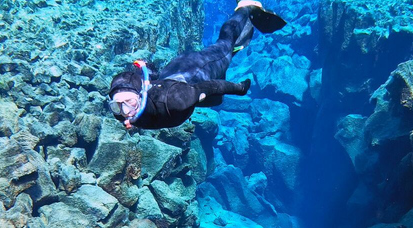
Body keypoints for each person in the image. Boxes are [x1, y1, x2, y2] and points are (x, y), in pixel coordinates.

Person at [108, 0, 286, 130]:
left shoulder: (177, 100)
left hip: (198, 69)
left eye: (129, 103)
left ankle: (245, 9)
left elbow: (211, 85)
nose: (126, 111)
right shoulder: (121, 112)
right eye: (118, 105)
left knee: (223, 44)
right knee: (217, 101)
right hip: (172, 75)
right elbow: (147, 86)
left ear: (141, 94)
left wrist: (240, 88)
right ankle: (233, 48)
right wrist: (150, 71)